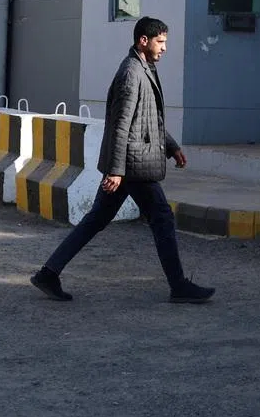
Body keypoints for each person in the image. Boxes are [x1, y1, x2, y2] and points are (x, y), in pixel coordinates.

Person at [31, 16, 214, 304]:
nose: (165, 48)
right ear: (144, 40)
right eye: (161, 41)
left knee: (96, 220)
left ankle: (48, 273)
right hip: (132, 166)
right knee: (162, 218)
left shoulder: (144, 68)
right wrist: (116, 171)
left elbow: (149, 119)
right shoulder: (132, 73)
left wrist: (171, 146)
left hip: (130, 163)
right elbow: (120, 125)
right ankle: (178, 286)